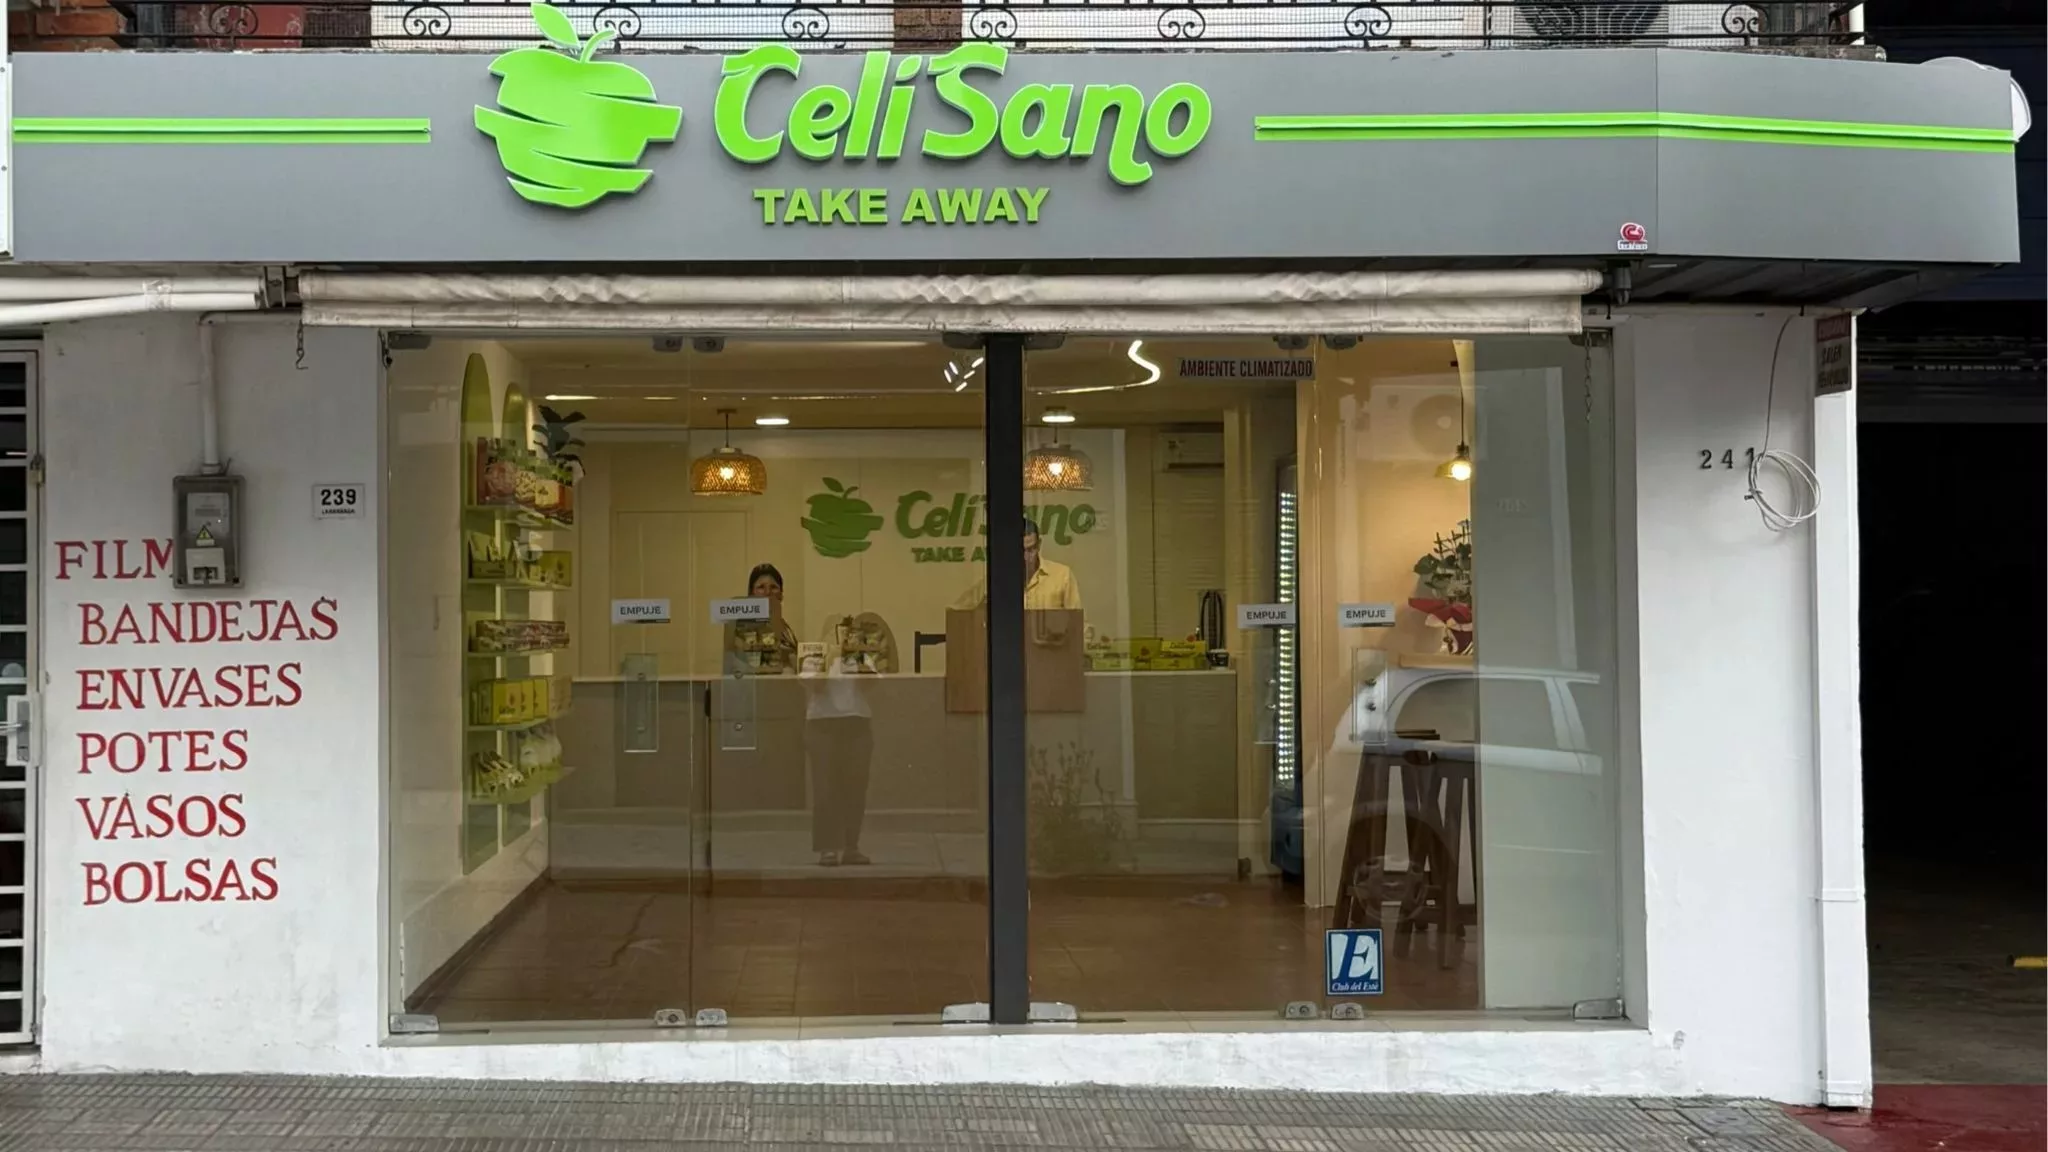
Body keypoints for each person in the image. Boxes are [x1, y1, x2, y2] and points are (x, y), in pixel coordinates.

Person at [802, 620, 874, 867]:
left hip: (856, 722)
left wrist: (857, 658)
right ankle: (828, 848)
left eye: (846, 631)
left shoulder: (858, 655)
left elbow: (871, 683)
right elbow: (816, 685)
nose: (842, 636)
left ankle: (851, 846)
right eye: (837, 631)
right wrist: (831, 657)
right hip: (822, 725)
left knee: (855, 787)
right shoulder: (812, 657)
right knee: (825, 789)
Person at [952, 517, 1082, 611]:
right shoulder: (998, 578)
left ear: (1039, 545)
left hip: (1050, 642)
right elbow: (957, 611)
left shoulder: (1062, 576)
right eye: (1019, 550)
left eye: (1030, 549)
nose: (1025, 557)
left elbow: (1078, 624)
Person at [727, 563, 797, 675]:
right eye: (761, 587)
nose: (768, 592)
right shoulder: (741, 627)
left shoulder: (785, 628)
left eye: (773, 587)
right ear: (751, 594)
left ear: (781, 595)